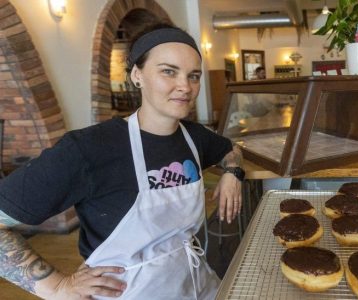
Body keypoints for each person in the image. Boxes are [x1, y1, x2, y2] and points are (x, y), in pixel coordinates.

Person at [0, 24, 244, 299]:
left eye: (194, 75)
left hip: (196, 284)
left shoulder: (195, 137)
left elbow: (231, 149)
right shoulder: (88, 148)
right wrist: (56, 286)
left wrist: (233, 172)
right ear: (137, 75)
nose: (185, 86)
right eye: (168, 71)